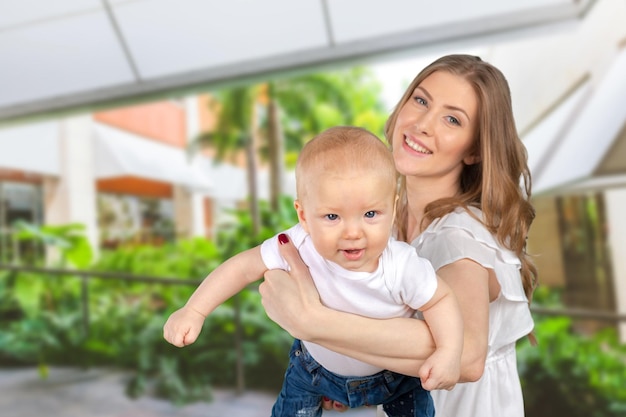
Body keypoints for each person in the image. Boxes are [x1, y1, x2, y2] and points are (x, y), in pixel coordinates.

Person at [259, 54, 538, 417]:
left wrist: (313, 322)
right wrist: (341, 374)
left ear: (473, 150)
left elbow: (467, 356)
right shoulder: (383, 221)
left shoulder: (458, 238)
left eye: (452, 119)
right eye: (421, 100)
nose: (422, 124)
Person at [163, 126, 464, 417]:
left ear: (393, 208)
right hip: (314, 369)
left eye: (371, 214)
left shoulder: (401, 264)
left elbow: (440, 300)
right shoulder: (299, 242)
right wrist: (194, 310)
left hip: (395, 377)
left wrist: (449, 352)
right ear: (304, 216)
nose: (353, 232)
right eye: (332, 216)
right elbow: (243, 267)